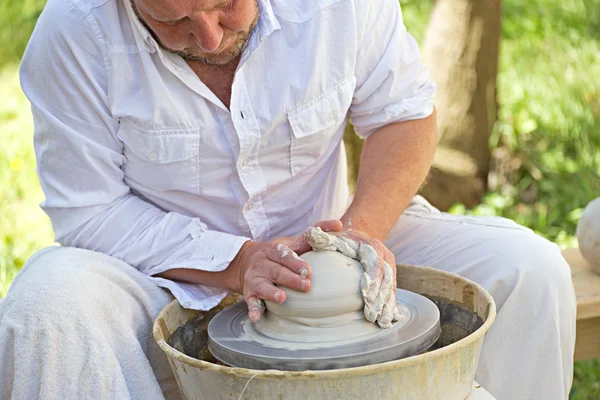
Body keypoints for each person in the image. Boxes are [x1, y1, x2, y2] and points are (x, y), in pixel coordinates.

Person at [0, 0, 576, 398]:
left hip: (334, 236)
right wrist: (238, 261)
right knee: (46, 307)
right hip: (167, 276)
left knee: (530, 270)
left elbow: (403, 115)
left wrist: (361, 233)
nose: (207, 36)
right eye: (170, 18)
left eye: (225, 3)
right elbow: (90, 212)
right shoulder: (74, 34)